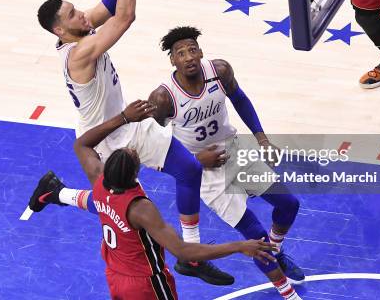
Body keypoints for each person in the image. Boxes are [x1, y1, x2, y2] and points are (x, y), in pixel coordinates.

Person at [33, 0, 232, 284]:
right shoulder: (79, 54)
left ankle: (190, 255)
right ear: (61, 31)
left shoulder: (80, 27)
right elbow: (125, 16)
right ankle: (57, 192)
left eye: (77, 9)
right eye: (74, 14)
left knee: (188, 170)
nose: (83, 14)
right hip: (103, 139)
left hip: (129, 122)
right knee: (118, 209)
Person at [33, 101, 284, 300]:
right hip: (146, 284)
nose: (135, 150)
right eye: (134, 155)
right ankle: (55, 193)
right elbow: (183, 251)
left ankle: (55, 193)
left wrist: (124, 118)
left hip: (115, 277)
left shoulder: (99, 183)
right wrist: (239, 246)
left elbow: (81, 144)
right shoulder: (141, 209)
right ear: (135, 174)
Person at [147, 26, 304, 294]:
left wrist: (262, 140)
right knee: (256, 236)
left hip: (234, 151)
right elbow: (152, 143)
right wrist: (196, 161)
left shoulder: (219, 71)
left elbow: (240, 99)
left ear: (201, 53)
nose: (188, 57)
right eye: (180, 53)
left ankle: (276, 252)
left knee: (289, 204)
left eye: (192, 50)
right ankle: (286, 292)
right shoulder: (163, 97)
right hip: (206, 173)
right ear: (172, 60)